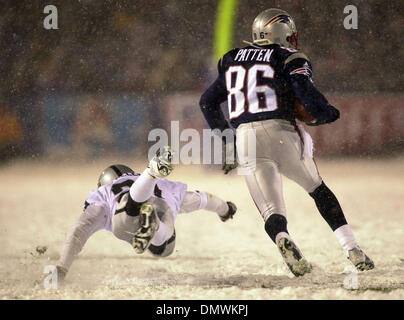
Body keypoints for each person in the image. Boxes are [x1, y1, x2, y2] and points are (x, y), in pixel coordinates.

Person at [199, 8, 374, 276]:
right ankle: (351, 248)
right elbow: (304, 92)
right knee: (317, 188)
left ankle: (282, 236)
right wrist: (327, 112)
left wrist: (227, 142)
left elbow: (207, 102)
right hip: (281, 130)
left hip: (245, 138)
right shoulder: (288, 56)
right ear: (282, 33)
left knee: (271, 210)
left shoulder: (232, 59)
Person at [55, 147, 237, 281]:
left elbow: (79, 231)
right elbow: (205, 199)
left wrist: (61, 268)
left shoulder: (104, 193)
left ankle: (149, 180)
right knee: (163, 248)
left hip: (125, 211)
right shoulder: (168, 185)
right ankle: (151, 183)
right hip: (162, 203)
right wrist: (226, 210)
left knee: (126, 222)